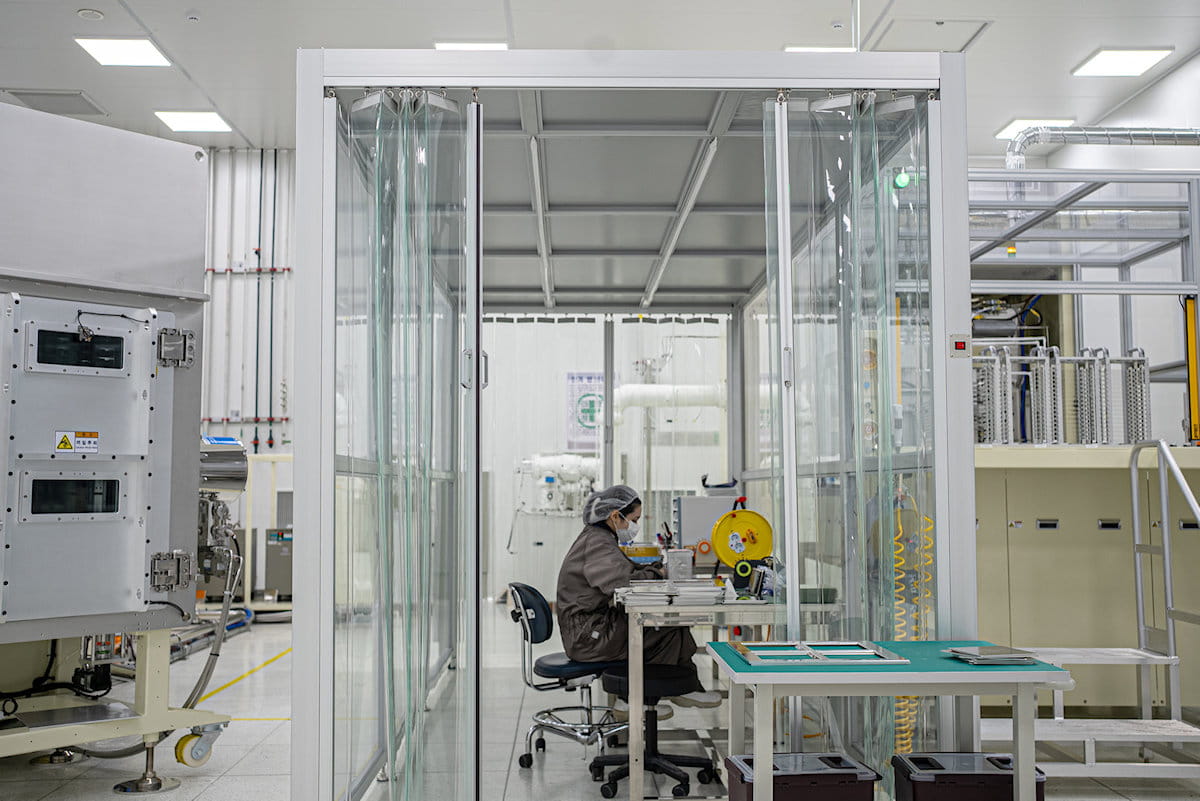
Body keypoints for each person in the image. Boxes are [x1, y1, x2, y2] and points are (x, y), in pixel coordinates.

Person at [555, 485, 720, 708]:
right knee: (667, 628)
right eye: (633, 519)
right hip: (589, 636)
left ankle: (672, 689)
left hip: (591, 628)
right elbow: (624, 583)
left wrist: (656, 568)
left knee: (667, 627)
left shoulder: (600, 537)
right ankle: (635, 698)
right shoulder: (598, 542)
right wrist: (659, 573)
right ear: (615, 516)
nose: (634, 526)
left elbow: (626, 570)